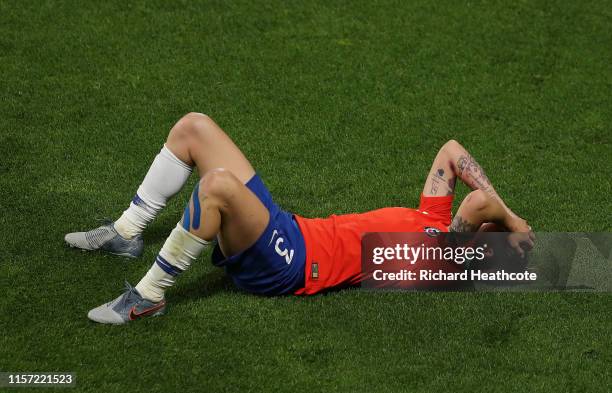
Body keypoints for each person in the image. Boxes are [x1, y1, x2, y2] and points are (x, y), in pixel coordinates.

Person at [65, 113, 534, 324]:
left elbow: (478, 207)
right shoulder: (431, 219)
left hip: (289, 265)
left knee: (217, 187)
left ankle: (148, 296)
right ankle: (126, 232)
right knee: (195, 128)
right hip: (288, 230)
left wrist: (513, 223)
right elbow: (452, 151)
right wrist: (507, 223)